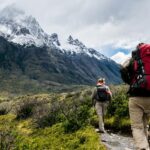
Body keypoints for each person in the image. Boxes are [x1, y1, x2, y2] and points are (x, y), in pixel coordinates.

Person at [121, 43, 150, 150]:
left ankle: (143, 147)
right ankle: (145, 144)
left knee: (137, 127)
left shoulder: (133, 59)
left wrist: (131, 82)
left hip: (136, 97)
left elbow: (123, 70)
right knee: (145, 124)